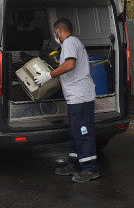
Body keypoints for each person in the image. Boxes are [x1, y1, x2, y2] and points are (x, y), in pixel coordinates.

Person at [37, 18, 100, 183]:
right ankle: (75, 164)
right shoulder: (69, 44)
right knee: (74, 131)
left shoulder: (71, 42)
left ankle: (90, 168)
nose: (54, 35)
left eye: (54, 31)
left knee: (82, 132)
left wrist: (49, 75)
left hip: (81, 96)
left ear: (58, 30)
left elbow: (70, 64)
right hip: (75, 97)